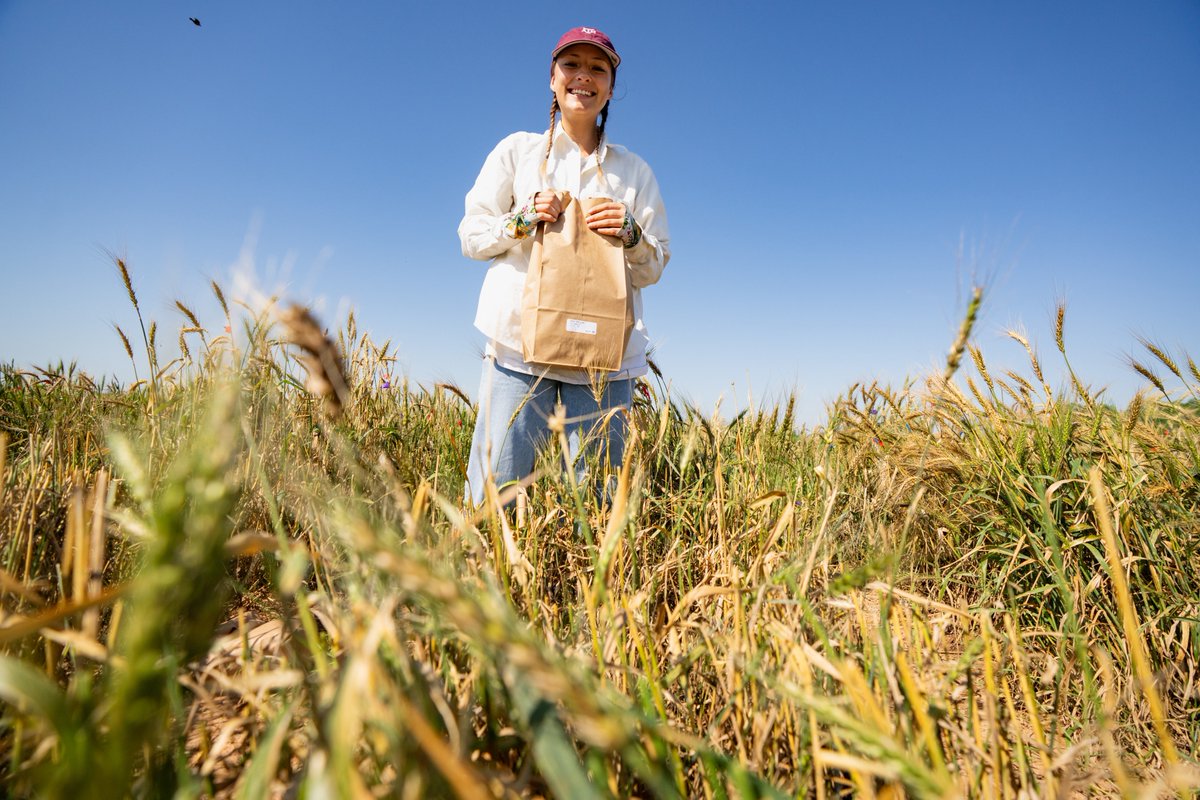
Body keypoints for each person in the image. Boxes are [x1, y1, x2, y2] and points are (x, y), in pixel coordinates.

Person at [458, 26, 670, 507]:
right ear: (552, 78)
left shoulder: (634, 172)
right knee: (496, 497)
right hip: (518, 350)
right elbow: (471, 236)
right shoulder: (516, 152)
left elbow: (655, 265)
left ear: (611, 87)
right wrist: (521, 218)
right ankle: (480, 579)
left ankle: (592, 584)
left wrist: (632, 233)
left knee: (599, 504)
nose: (584, 77)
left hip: (603, 362)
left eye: (598, 68)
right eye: (571, 64)